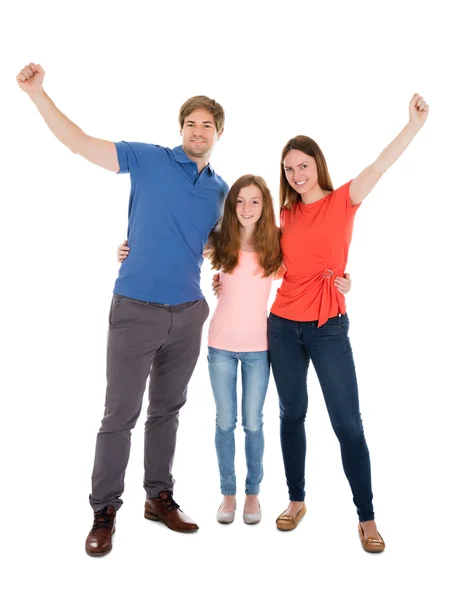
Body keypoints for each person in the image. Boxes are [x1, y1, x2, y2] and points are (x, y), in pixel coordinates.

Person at [16, 62, 228, 556]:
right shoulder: (149, 159)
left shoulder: (220, 190)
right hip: (135, 309)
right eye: (191, 124)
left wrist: (222, 274)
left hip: (189, 313)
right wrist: (37, 95)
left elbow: (222, 246)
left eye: (207, 126)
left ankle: (158, 497)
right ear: (181, 130)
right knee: (120, 413)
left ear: (219, 133)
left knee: (168, 410)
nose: (198, 132)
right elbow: (80, 142)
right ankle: (104, 510)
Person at [118, 175, 352, 525]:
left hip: (260, 348)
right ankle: (228, 494)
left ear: (265, 206)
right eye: (240, 201)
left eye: (255, 201)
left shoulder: (276, 243)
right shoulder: (220, 241)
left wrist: (342, 279)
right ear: (232, 206)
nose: (246, 208)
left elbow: (311, 262)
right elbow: (174, 243)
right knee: (225, 422)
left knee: (253, 423)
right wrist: (130, 248)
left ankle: (253, 495)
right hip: (221, 346)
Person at [267, 94, 429, 552]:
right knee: (291, 414)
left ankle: (367, 517)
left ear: (317, 164)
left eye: (303, 166)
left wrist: (413, 126)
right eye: (289, 170)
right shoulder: (285, 214)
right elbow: (271, 262)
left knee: (348, 424)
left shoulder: (343, 200)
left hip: (328, 326)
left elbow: (380, 165)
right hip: (282, 325)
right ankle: (296, 500)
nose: (296, 175)